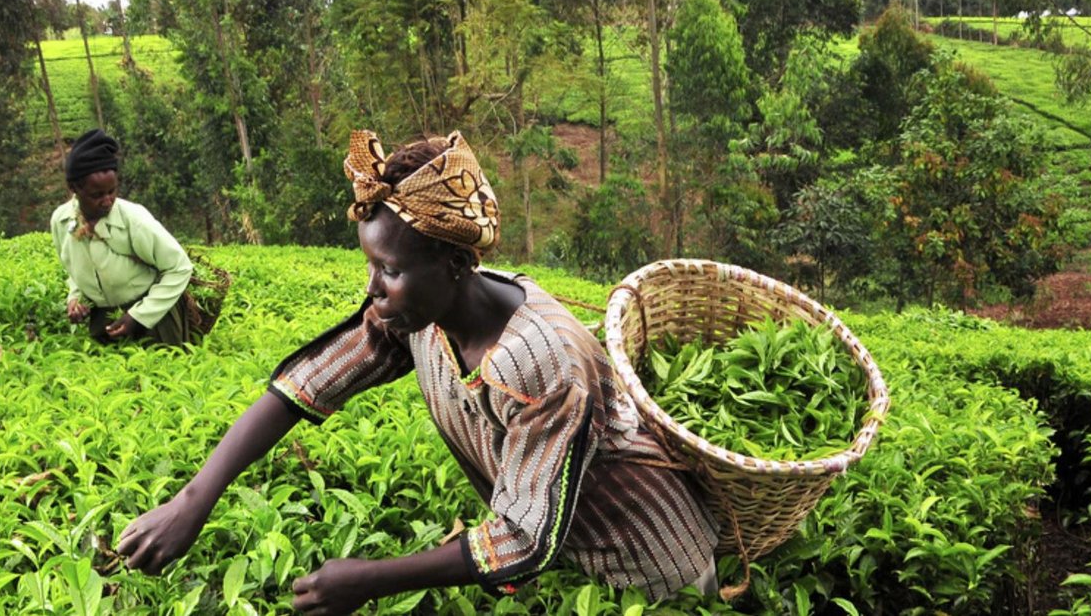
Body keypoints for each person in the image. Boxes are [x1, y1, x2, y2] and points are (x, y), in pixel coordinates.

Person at [116, 130, 719, 612]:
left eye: (389, 271)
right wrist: (193, 500)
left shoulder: (542, 364)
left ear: (455, 263)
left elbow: (522, 540)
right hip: (568, 557)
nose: (373, 290)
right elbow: (312, 381)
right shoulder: (419, 316)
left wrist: (368, 580)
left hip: (652, 566)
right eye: (370, 266)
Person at [51, 128, 196, 345]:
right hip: (104, 320)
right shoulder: (61, 221)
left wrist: (139, 316)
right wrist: (75, 299)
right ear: (74, 189)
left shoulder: (133, 220)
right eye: (97, 195)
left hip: (154, 318)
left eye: (112, 191)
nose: (107, 200)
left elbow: (180, 267)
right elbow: (74, 269)